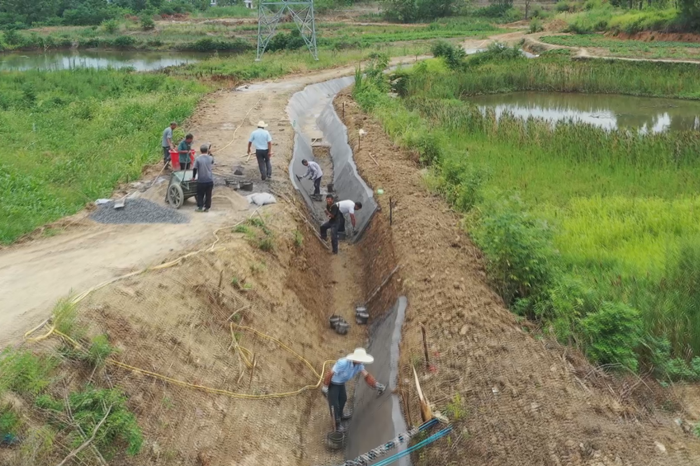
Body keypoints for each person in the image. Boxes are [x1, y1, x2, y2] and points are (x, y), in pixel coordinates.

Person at [322, 348, 385, 432]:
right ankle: (337, 424)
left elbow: (366, 375)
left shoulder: (359, 365)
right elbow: (330, 373)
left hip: (341, 383)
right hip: (333, 384)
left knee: (343, 399)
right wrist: (325, 386)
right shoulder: (343, 363)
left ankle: (340, 415)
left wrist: (376, 384)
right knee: (334, 405)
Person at [193, 144, 215, 212]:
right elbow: (212, 160)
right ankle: (207, 208)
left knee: (200, 194)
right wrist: (210, 153)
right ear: (207, 150)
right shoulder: (210, 158)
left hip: (201, 180)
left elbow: (194, 168)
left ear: (200, 151)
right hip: (209, 180)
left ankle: (200, 207)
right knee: (208, 195)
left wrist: (193, 177)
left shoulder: (198, 159)